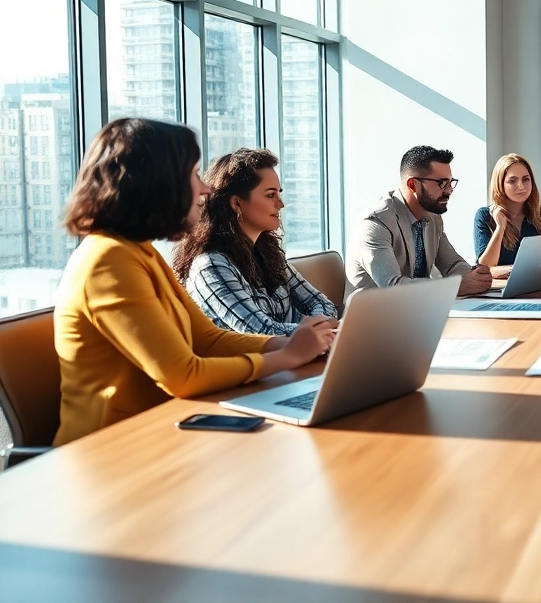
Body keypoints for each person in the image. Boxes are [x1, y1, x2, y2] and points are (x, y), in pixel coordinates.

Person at [53, 119, 335, 446]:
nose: (205, 189)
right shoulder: (108, 261)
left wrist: (291, 344)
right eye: (194, 174)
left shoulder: (140, 253)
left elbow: (208, 340)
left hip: (162, 433)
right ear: (159, 182)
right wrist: (289, 356)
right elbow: (182, 376)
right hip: (109, 449)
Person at [173, 148, 340, 335]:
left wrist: (320, 326)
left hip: (290, 351)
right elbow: (260, 331)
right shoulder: (211, 266)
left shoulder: (269, 256)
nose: (281, 204)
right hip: (254, 354)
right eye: (270, 195)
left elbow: (322, 304)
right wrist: (318, 330)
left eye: (279, 194)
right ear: (237, 203)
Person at [348, 145, 493, 295]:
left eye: (451, 183)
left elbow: (452, 264)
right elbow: (392, 287)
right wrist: (457, 286)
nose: (449, 190)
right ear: (413, 185)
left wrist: (475, 276)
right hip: (377, 308)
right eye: (442, 183)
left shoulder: (433, 217)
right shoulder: (375, 223)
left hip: (420, 306)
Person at [474, 153, 541, 276]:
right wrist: (500, 227)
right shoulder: (485, 216)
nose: (521, 186)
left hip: (535, 283)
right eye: (512, 181)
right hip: (498, 286)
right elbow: (485, 267)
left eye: (525, 179)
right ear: (500, 184)